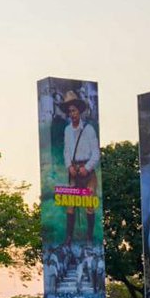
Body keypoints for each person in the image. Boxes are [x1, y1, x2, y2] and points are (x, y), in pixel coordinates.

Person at [60, 92, 99, 245]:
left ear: (79, 111)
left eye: (74, 110)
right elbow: (66, 151)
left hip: (87, 172)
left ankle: (89, 237)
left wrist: (88, 168)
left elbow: (96, 152)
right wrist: (69, 165)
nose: (72, 114)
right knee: (70, 205)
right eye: (69, 111)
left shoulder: (89, 130)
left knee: (89, 205)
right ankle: (68, 238)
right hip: (74, 172)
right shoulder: (67, 130)